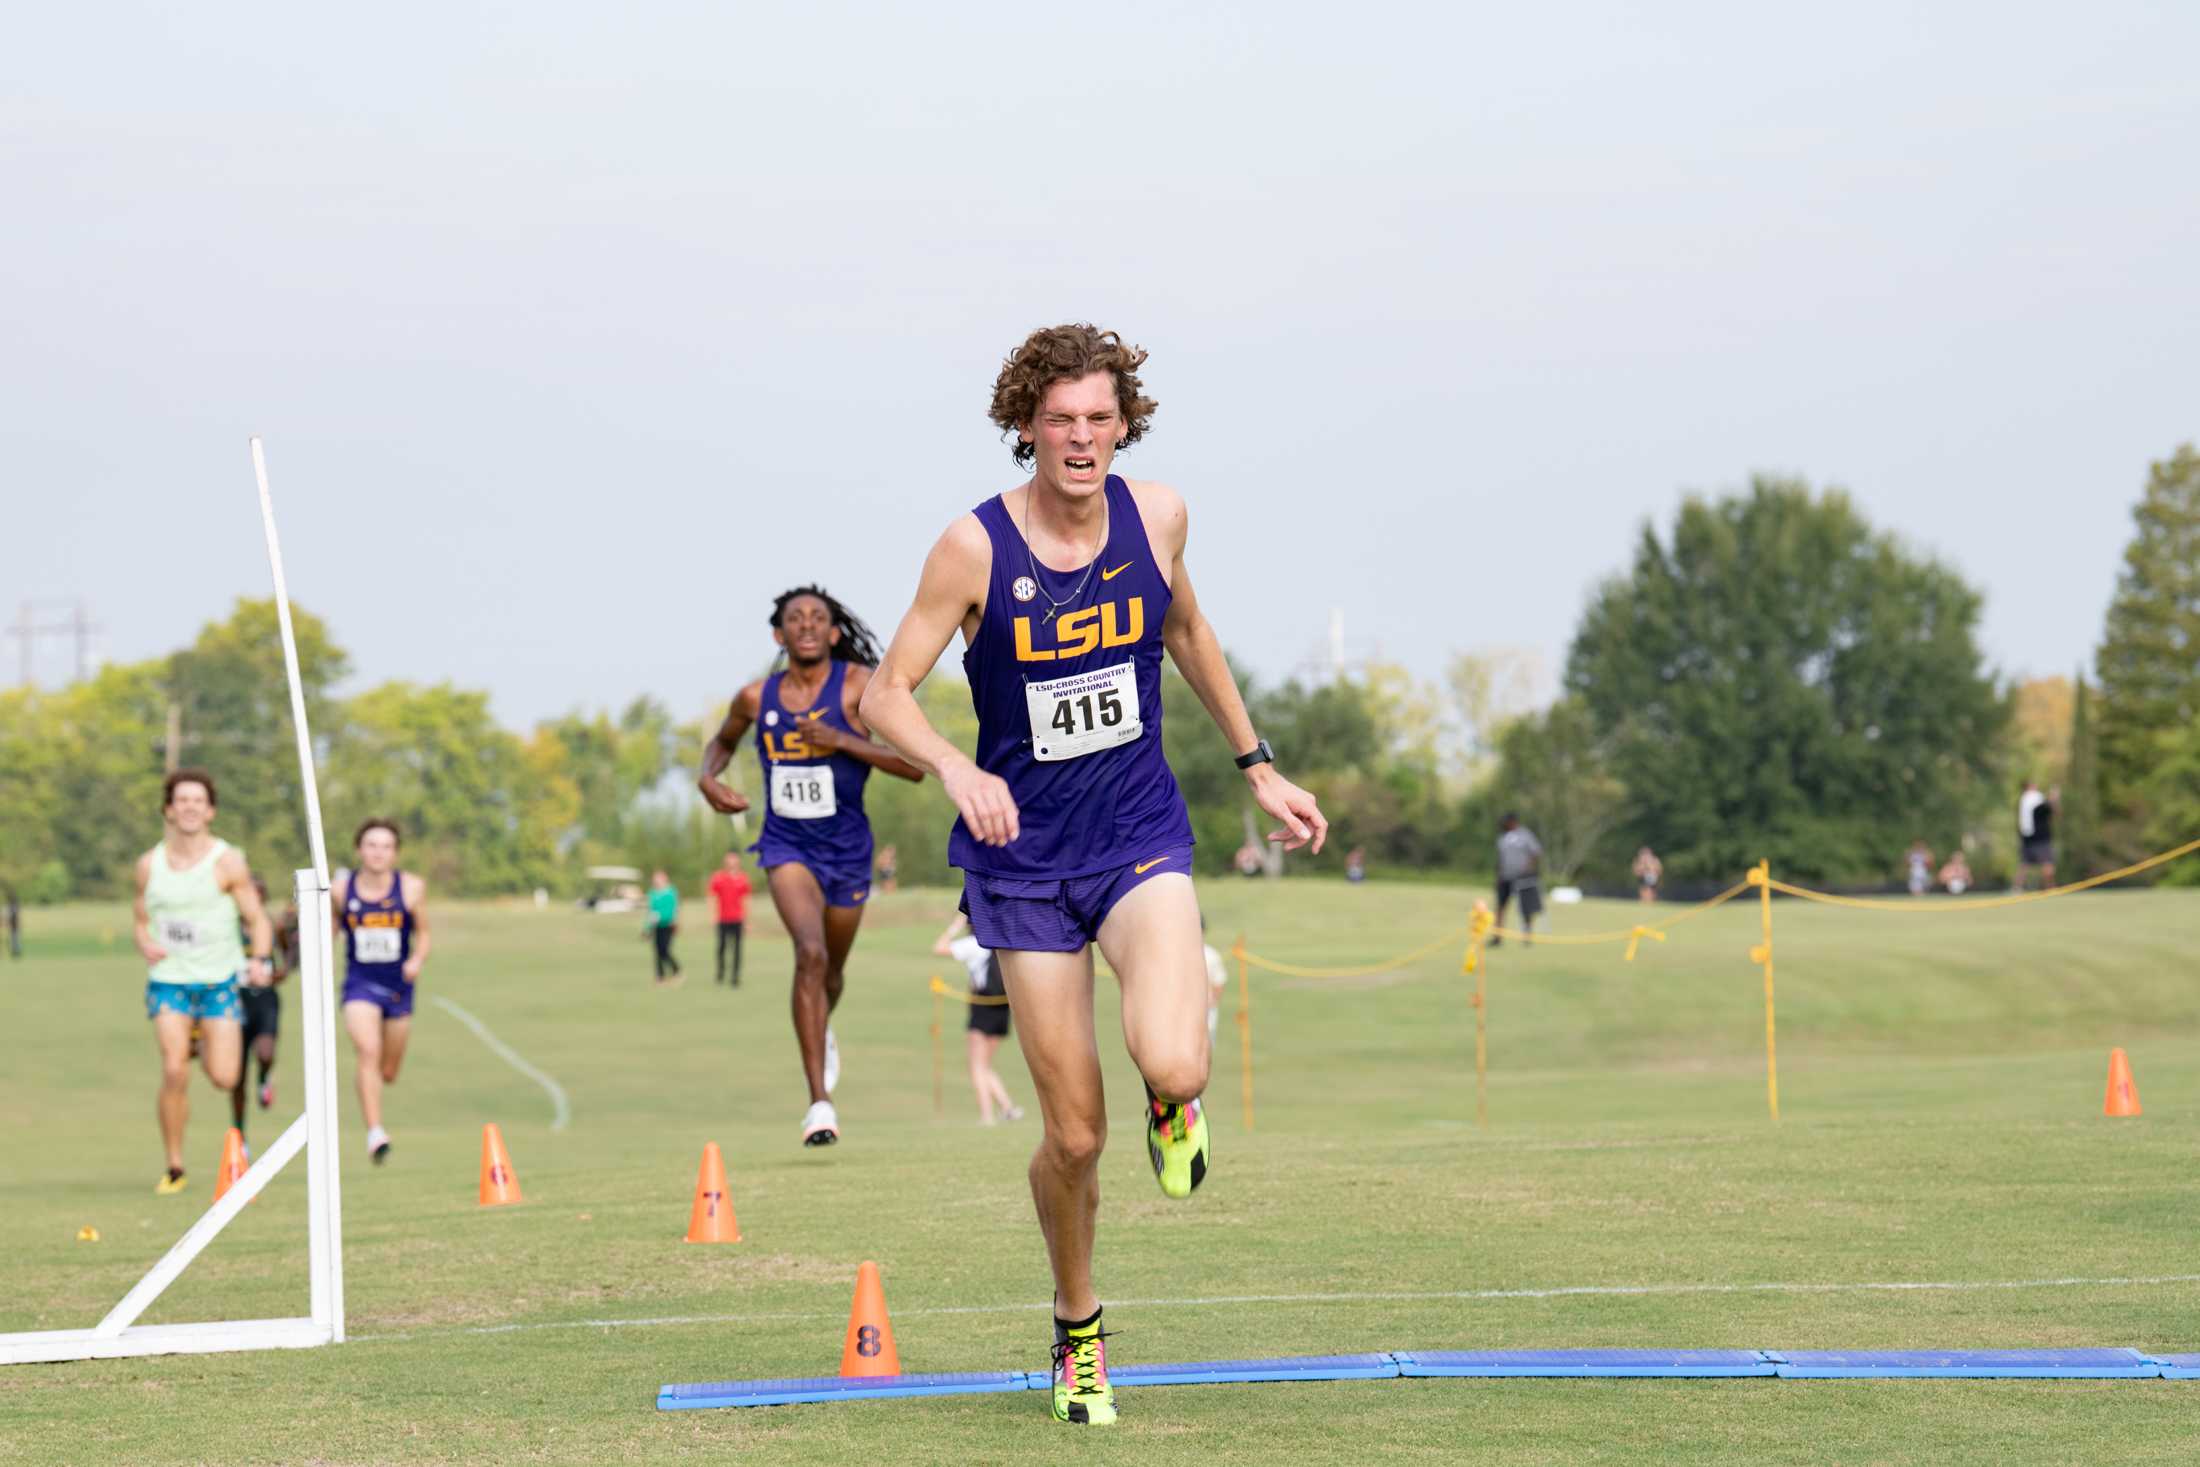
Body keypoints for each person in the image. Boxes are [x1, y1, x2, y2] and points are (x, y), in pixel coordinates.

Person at [859, 323, 1327, 1426]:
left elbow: (1192, 634)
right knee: (1072, 1136)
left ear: (1125, 423)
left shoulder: (1155, 515)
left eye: (1098, 418)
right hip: (1022, 867)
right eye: (1059, 419)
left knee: (1173, 1061)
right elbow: (883, 695)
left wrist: (1255, 763)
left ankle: (1177, 1105)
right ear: (1026, 425)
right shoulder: (972, 549)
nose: (1079, 438)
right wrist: (956, 765)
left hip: (1136, 838)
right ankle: (1078, 1331)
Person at [697, 586, 925, 1148]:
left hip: (847, 849)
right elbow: (721, 745)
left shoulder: (857, 688)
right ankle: (819, 1103)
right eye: (793, 618)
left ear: (831, 632)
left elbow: (914, 766)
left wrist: (842, 741)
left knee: (831, 973)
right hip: (786, 845)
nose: (805, 625)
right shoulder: (756, 697)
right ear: (779, 634)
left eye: (816, 618)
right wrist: (708, 779)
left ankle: (819, 1029)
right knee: (810, 953)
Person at [135, 769, 274, 1194]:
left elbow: (257, 918)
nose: (190, 807)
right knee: (174, 1069)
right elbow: (141, 918)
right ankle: (174, 1165)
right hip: (170, 981)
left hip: (218, 982)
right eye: (182, 800)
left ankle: (200, 1038)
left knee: (225, 1077)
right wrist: (144, 941)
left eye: (198, 800)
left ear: (210, 810)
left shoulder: (226, 861)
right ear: (169, 809)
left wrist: (260, 959)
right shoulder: (148, 865)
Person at [333, 819, 431, 1164]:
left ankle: (379, 1094)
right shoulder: (342, 891)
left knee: (387, 1071)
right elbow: (329, 930)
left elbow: (424, 934)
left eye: (385, 846)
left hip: (399, 988)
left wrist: (417, 959)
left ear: (395, 853)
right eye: (371, 845)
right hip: (360, 985)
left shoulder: (411, 888)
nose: (378, 852)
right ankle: (375, 1132)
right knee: (367, 1049)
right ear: (360, 849)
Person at [933, 913, 1023, 1125]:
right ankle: (1007, 1107)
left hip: (982, 1006)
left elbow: (939, 947)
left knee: (977, 1065)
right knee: (985, 1064)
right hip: (1003, 1007)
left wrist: (954, 927)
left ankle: (987, 1116)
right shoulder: (1001, 943)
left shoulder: (974, 944)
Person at [229, 877, 297, 1137]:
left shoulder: (271, 926)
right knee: (236, 1076)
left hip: (265, 999)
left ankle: (264, 1078)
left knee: (265, 1052)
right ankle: (239, 1133)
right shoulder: (228, 928)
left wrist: (278, 974)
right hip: (234, 1001)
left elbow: (288, 956)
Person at [1492, 813, 1543, 945]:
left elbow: (1536, 852)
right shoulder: (1502, 837)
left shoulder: (1525, 835)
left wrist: (1529, 869)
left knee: (1525, 908)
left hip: (1522, 878)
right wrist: (1498, 875)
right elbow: (1500, 857)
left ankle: (1527, 936)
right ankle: (1497, 936)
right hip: (1505, 877)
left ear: (1513, 822)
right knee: (1500, 907)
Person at [706, 851, 750, 987]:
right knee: (721, 948)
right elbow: (711, 897)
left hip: (737, 919)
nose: (731, 863)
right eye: (729, 860)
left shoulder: (743, 878)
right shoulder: (718, 877)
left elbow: (746, 900)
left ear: (738, 862)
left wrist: (747, 920)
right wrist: (712, 915)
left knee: (737, 949)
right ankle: (720, 973)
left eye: (734, 860)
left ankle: (735, 977)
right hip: (722, 919)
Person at [2016, 781, 2059, 891]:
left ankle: (2017, 888)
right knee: (2047, 864)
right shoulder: (2034, 797)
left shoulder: (2023, 799)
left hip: (2027, 837)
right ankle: (2050, 888)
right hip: (2041, 837)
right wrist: (2054, 797)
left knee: (2024, 865)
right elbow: (2052, 810)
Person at [647, 869, 681, 984]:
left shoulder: (671, 892)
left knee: (665, 950)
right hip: (656, 925)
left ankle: (676, 970)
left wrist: (675, 921)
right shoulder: (652, 893)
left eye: (659, 878)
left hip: (668, 924)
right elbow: (651, 910)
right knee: (657, 951)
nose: (656, 880)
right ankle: (659, 976)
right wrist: (647, 928)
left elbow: (675, 908)